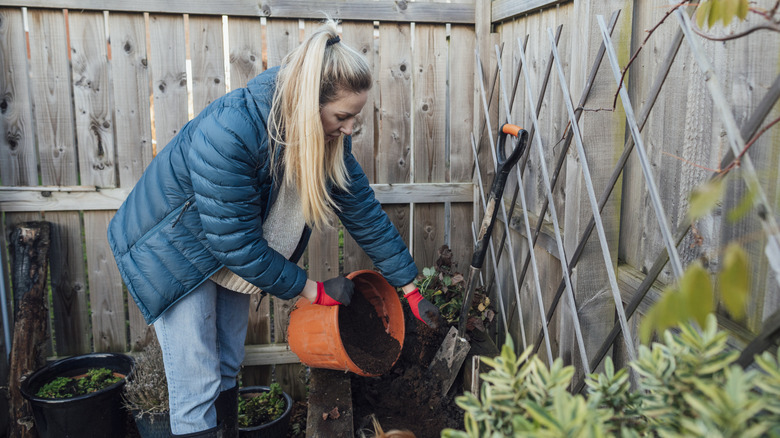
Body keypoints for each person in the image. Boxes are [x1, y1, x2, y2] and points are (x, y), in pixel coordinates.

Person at [108, 18, 442, 438]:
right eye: (343, 115)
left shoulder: (325, 137)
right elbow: (238, 245)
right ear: (309, 102)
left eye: (355, 116)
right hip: (172, 250)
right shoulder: (231, 131)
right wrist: (314, 291)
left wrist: (409, 289)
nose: (350, 127)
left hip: (225, 248)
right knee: (197, 382)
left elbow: (363, 211)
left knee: (229, 361)